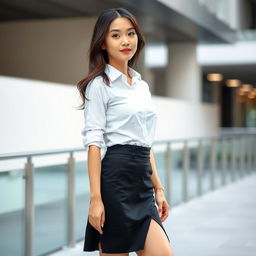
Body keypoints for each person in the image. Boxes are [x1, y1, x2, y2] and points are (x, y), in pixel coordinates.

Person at [77, 7, 174, 256]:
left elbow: (145, 142)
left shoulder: (141, 85)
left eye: (130, 34)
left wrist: (158, 189)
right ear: (102, 43)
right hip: (115, 183)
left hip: (142, 180)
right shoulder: (99, 86)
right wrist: (95, 199)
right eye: (116, 35)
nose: (125, 41)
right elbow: (94, 143)